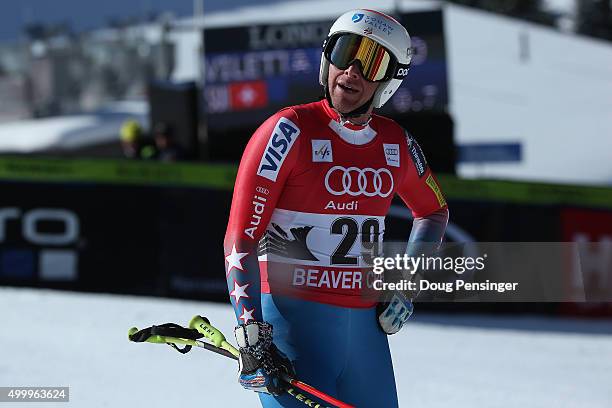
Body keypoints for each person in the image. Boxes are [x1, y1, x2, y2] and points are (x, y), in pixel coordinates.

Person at [223, 9, 449, 407]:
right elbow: (241, 236)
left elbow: (433, 212)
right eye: (346, 52)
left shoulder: (396, 143)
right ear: (328, 59)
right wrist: (251, 331)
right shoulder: (288, 130)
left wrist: (407, 286)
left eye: (373, 61)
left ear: (389, 81)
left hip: (365, 339)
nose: (353, 71)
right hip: (293, 331)